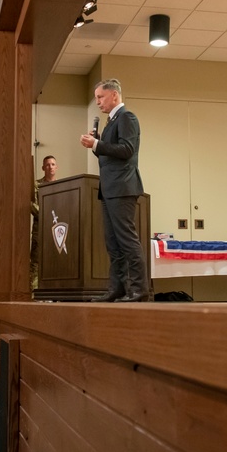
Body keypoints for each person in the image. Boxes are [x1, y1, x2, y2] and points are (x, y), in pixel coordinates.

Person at [80, 79, 147, 302]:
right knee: (113, 243)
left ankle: (138, 290)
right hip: (109, 188)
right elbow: (110, 155)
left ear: (114, 96)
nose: (97, 102)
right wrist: (97, 143)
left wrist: (97, 145)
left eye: (100, 97)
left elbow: (127, 149)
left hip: (122, 186)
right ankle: (117, 288)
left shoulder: (127, 117)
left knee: (127, 240)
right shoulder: (111, 122)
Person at [30, 156, 59, 292]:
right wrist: (47, 216)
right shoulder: (37, 185)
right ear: (43, 168)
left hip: (56, 229)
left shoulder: (61, 186)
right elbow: (32, 205)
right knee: (36, 262)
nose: (50, 167)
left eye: (53, 164)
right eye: (47, 165)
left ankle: (53, 293)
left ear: (56, 167)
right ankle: (34, 293)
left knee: (55, 262)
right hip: (40, 229)